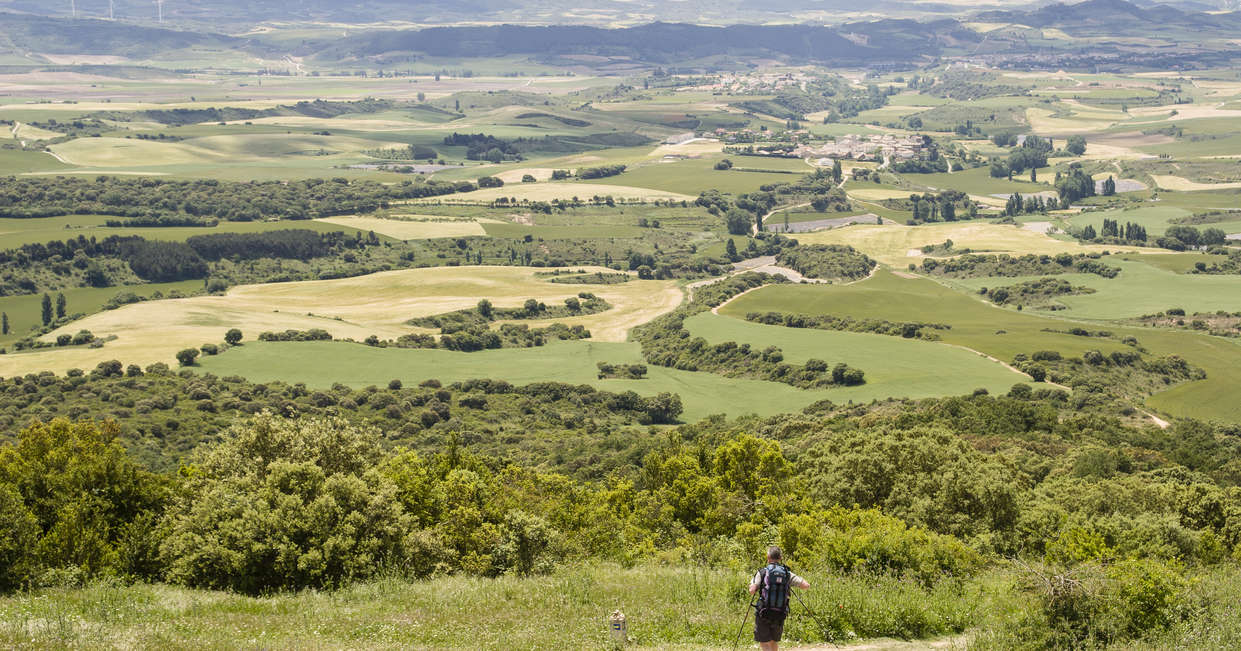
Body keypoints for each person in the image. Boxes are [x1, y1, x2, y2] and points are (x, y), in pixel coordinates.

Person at [748, 546, 810, 651]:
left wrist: (754, 585)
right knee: (773, 641)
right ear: (780, 557)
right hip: (780, 613)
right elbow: (806, 585)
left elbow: (752, 590)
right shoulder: (787, 573)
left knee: (764, 643)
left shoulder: (763, 572)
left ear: (768, 557)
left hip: (764, 613)